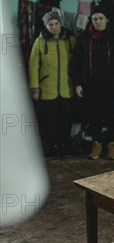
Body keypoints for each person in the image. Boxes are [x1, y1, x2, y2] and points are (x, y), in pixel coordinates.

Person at [71, 4, 114, 160]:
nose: (98, 21)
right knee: (93, 115)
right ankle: (96, 145)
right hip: (90, 84)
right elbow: (76, 62)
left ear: (106, 19)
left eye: (101, 18)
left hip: (111, 84)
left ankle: (112, 145)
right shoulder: (84, 38)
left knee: (111, 115)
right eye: (95, 18)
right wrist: (78, 83)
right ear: (91, 20)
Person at [28, 11, 76, 158]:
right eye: (51, 24)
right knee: (50, 121)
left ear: (61, 24)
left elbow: (79, 61)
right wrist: (35, 87)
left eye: (56, 24)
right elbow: (33, 65)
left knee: (66, 119)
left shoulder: (70, 40)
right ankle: (51, 148)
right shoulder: (40, 42)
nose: (54, 27)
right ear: (46, 26)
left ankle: (64, 145)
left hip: (67, 88)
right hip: (47, 89)